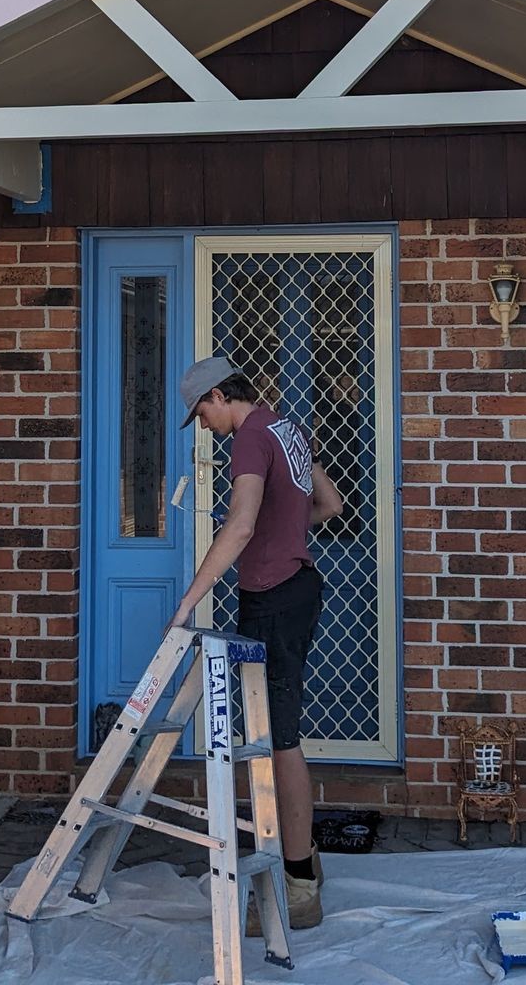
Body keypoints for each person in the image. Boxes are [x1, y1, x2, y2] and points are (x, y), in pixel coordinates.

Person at [169, 355, 343, 931]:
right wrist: (285, 533)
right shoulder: (286, 428)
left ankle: (297, 886)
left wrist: (189, 599)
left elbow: (240, 525)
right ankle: (305, 866)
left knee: (280, 742)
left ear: (220, 395)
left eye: (201, 413)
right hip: (300, 590)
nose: (203, 426)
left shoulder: (247, 439)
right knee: (277, 737)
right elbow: (330, 505)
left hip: (272, 600)